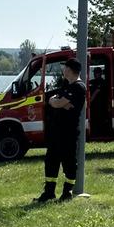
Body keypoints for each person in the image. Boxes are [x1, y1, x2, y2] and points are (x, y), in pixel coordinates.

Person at [34, 58, 86, 202]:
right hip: (56, 131)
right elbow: (55, 101)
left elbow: (58, 103)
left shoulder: (78, 87)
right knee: (51, 161)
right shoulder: (66, 85)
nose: (63, 70)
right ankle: (49, 192)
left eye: (65, 68)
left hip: (68, 132)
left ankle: (67, 192)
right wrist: (57, 102)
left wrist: (58, 103)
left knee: (69, 162)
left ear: (70, 70)